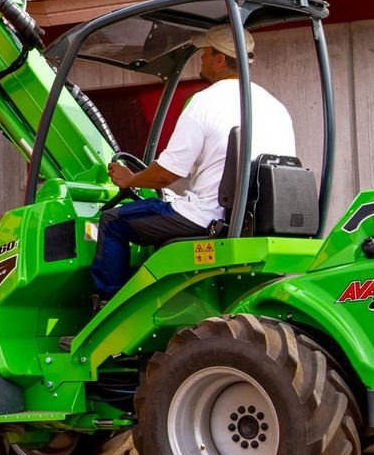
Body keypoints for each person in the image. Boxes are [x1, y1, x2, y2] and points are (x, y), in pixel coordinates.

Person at [90, 24, 296, 303]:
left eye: (205, 53)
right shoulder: (275, 106)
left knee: (113, 221)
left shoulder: (205, 102)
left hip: (208, 217)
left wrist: (130, 179)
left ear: (220, 58)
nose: (202, 59)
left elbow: (166, 175)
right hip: (255, 219)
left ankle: (106, 308)